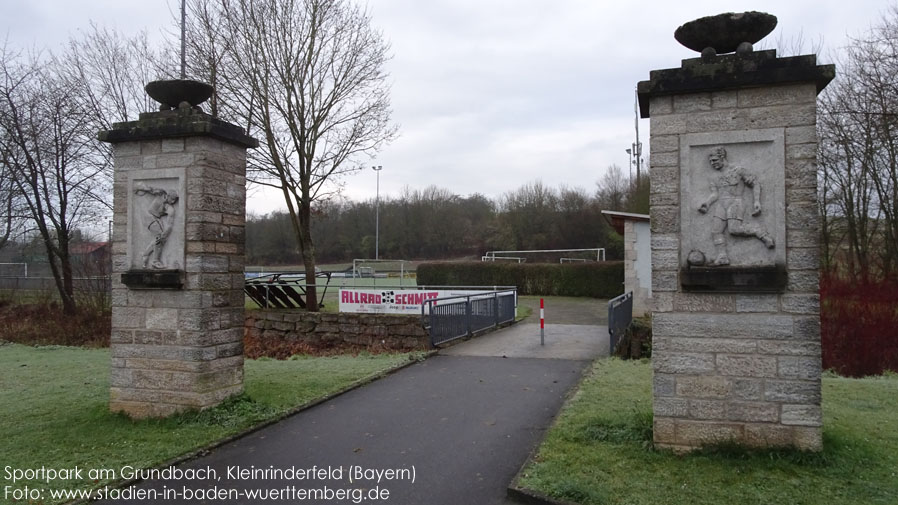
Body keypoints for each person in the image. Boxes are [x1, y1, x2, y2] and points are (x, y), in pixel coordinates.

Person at [697, 146, 774, 266]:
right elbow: (714, 194)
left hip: (735, 202)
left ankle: (760, 232)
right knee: (716, 231)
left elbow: (755, 183)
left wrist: (757, 201)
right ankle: (722, 257)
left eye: (715, 160)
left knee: (734, 230)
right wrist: (706, 203)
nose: (712, 163)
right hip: (721, 204)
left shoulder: (738, 170)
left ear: (722, 158)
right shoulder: (714, 177)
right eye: (711, 161)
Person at [134, 184, 179, 269]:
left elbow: (170, 224)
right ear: (168, 196)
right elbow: (150, 189)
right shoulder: (161, 193)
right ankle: (155, 261)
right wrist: (139, 188)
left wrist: (165, 234)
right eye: (172, 199)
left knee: (160, 239)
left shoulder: (170, 209)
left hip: (156, 219)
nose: (173, 202)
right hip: (148, 216)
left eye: (175, 200)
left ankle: (146, 255)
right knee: (159, 237)